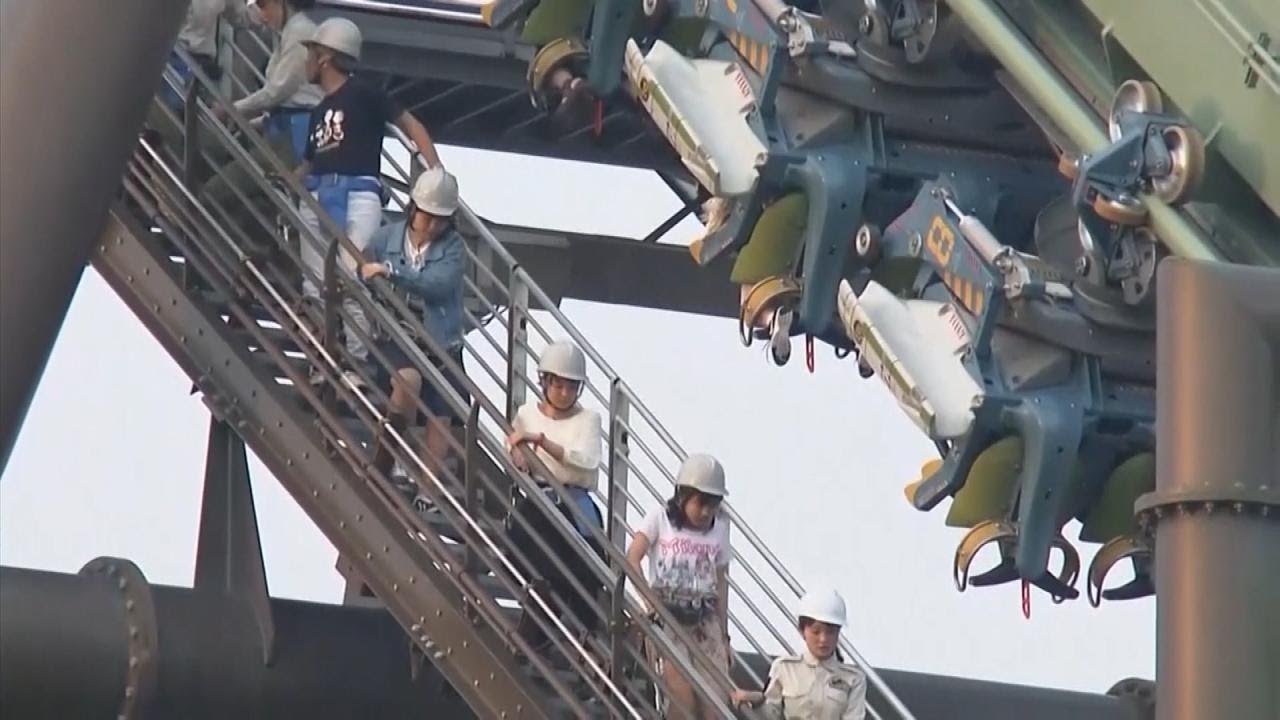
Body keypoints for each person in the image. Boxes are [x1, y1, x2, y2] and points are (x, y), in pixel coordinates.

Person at [296, 17, 442, 384]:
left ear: (326, 56)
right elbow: (312, 160)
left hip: (359, 190)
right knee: (314, 285)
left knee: (353, 276)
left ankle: (356, 362)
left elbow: (411, 125)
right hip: (316, 192)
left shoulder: (366, 93)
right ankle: (322, 357)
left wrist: (435, 172)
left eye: (312, 52)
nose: (307, 61)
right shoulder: (318, 110)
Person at [360, 168, 468, 483]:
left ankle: (428, 488)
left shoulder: (454, 247)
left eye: (440, 218)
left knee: (442, 412)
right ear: (412, 209)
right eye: (426, 215)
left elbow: (439, 284)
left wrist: (391, 272)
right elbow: (361, 267)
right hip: (396, 335)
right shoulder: (385, 238)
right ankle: (391, 452)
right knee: (407, 381)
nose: (432, 224)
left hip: (441, 341)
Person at [504, 340, 606, 656]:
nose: (564, 393)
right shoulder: (526, 414)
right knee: (521, 542)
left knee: (586, 564)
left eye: (570, 387)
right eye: (558, 385)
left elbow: (586, 460)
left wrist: (542, 443)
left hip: (575, 504)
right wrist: (519, 458)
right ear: (545, 382)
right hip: (538, 498)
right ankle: (543, 616)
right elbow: (513, 451)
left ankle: (570, 631)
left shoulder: (589, 419)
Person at [626, 454, 733, 720]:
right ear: (683, 495)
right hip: (667, 610)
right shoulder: (659, 518)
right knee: (680, 694)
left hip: (704, 614)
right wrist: (650, 603)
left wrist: (724, 633)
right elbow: (633, 558)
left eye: (714, 503)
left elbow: (720, 581)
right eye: (701, 502)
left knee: (715, 700)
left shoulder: (719, 528)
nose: (707, 511)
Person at [205, 0, 322, 201]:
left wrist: (230, 109)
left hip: (291, 138)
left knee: (217, 191)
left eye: (264, 4)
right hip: (283, 132)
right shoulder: (289, 33)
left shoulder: (300, 34)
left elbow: (277, 92)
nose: (262, 14)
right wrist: (250, 123)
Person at [731, 589, 867, 720]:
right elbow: (771, 715)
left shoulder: (853, 679)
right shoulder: (784, 668)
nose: (823, 639)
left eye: (831, 632)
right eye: (816, 631)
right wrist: (757, 700)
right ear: (802, 631)